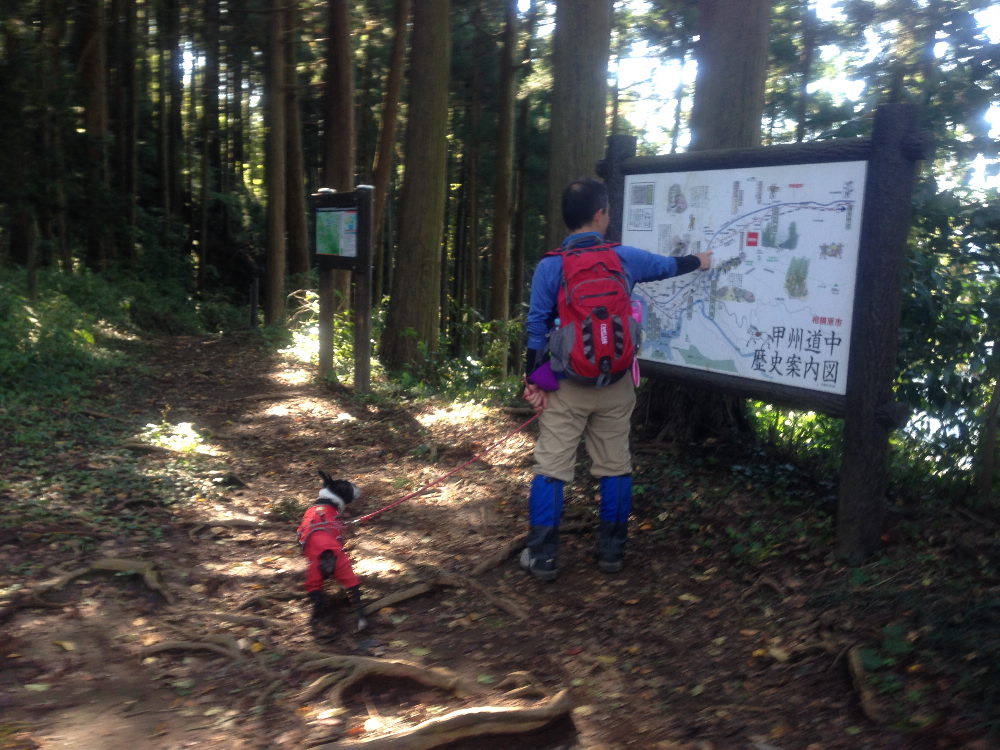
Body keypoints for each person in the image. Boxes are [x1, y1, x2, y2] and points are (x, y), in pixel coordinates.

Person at [520, 177, 712, 581]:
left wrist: (535, 381)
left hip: (567, 383)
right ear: (600, 214)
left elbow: (536, 327)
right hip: (617, 382)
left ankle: (543, 557)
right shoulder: (624, 258)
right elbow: (667, 267)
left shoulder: (551, 265)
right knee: (614, 465)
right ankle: (612, 552)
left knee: (552, 467)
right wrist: (700, 261)